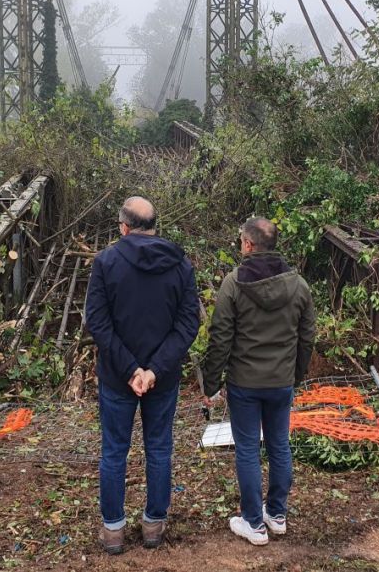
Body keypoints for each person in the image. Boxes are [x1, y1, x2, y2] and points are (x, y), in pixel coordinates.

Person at [84, 196, 201, 554]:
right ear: (154, 226)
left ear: (123, 227)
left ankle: (113, 531)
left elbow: (97, 322)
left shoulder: (106, 262)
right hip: (161, 378)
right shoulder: (180, 264)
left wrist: (131, 369)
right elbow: (188, 324)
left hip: (117, 377)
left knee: (114, 451)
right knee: (159, 448)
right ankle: (153, 525)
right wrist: (153, 370)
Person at [201, 217, 315, 545]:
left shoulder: (234, 283)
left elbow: (220, 338)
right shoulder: (299, 285)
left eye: (241, 241)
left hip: (245, 384)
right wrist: (295, 375)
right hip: (281, 383)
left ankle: (253, 522)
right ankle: (276, 514)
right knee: (279, 445)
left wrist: (211, 384)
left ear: (249, 245)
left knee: (248, 450)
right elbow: (307, 337)